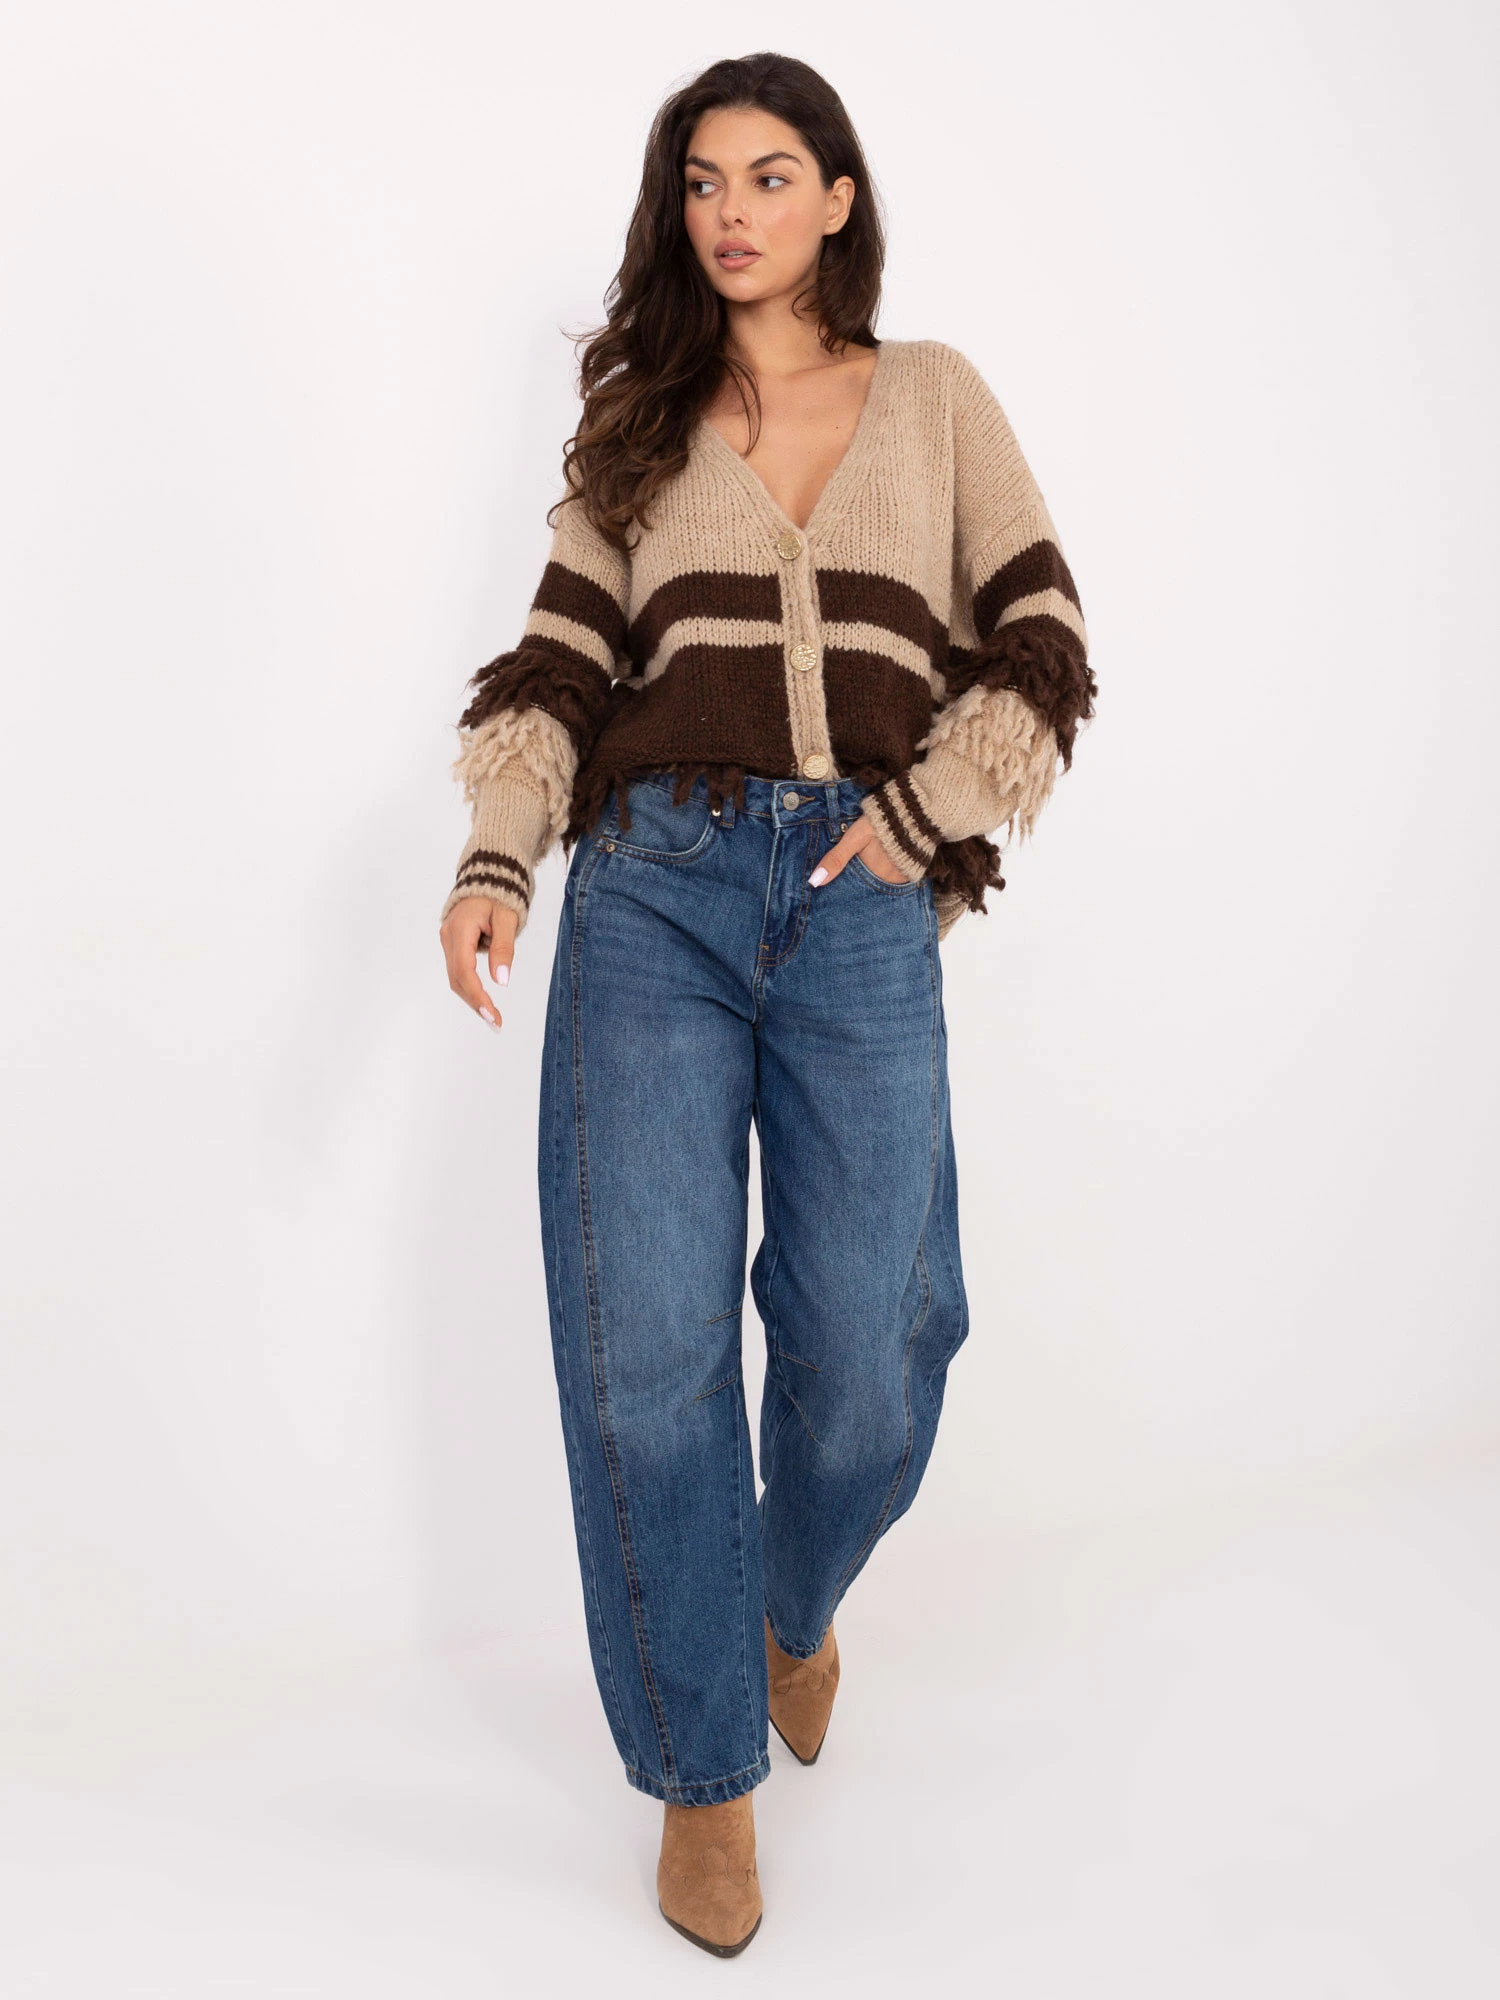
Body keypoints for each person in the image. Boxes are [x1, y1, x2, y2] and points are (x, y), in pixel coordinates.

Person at [437, 50, 1095, 1957]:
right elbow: (559, 662)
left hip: (859, 895)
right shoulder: (639, 420)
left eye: (771, 174)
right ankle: (705, 1775)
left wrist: (926, 814)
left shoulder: (936, 397)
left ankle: (788, 1608)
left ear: (837, 199)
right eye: (703, 181)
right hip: (651, 889)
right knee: (644, 1353)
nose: (733, 211)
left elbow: (1044, 635)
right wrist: (497, 858)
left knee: (881, 1337)